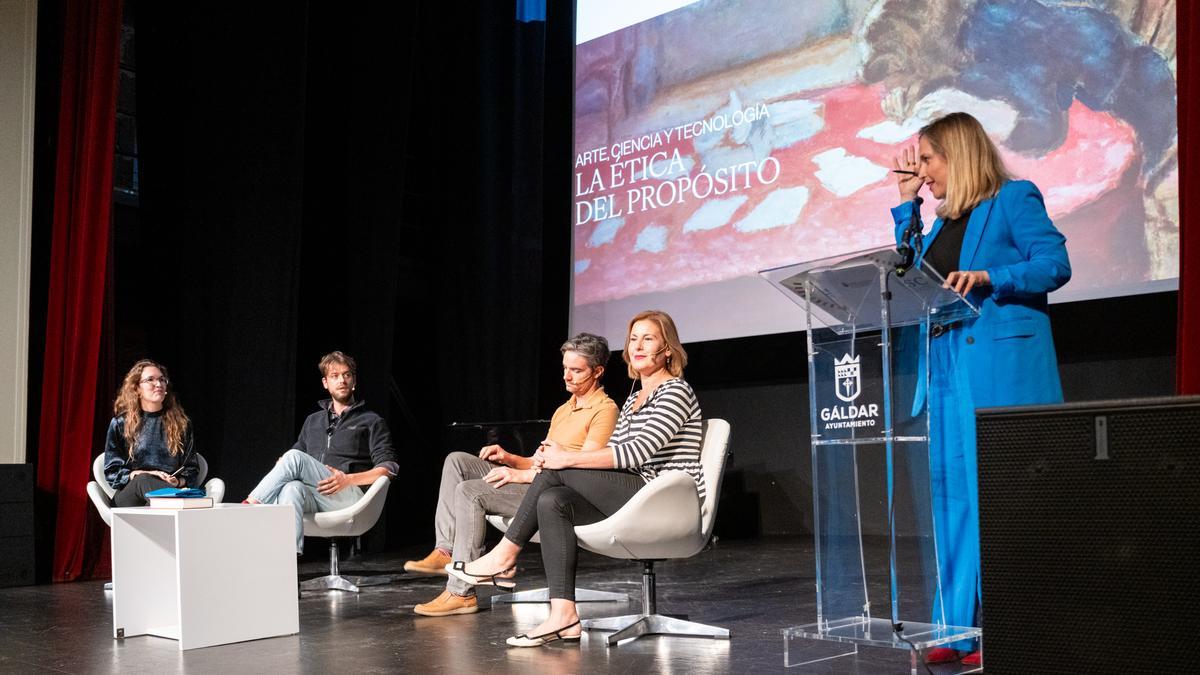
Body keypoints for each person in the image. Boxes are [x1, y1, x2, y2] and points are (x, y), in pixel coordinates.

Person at [891, 111, 1071, 665]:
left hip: (995, 369)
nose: (922, 172)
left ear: (959, 154)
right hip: (944, 367)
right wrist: (907, 206)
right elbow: (908, 276)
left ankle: (1010, 628)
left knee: (996, 501)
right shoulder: (938, 224)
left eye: (927, 160)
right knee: (951, 500)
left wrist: (994, 276)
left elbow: (1055, 264)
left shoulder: (1013, 199)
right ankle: (955, 630)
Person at [448, 310, 705, 647]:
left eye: (648, 339)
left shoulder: (675, 391)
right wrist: (553, 459)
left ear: (667, 349)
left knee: (559, 466)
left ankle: (504, 556)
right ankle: (564, 616)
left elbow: (635, 453)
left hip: (665, 498)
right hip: (635, 492)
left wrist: (564, 459)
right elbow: (614, 452)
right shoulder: (634, 399)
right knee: (552, 501)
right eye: (633, 339)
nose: (638, 346)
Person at [407, 333, 619, 617]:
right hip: (538, 479)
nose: (566, 376)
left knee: (471, 492)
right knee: (457, 461)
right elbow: (538, 462)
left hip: (555, 494)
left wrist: (519, 476)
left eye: (576, 370)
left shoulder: (605, 410)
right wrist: (509, 458)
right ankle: (444, 551)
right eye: (565, 368)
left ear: (598, 371)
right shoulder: (564, 409)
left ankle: (461, 593)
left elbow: (582, 469)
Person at [245, 351, 398, 554]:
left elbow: (389, 469)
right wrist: (283, 463)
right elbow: (295, 455)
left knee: (293, 458)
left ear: (354, 381)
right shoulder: (313, 421)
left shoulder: (371, 421)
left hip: (351, 497)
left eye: (347, 375)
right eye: (335, 376)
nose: (342, 380)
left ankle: (249, 508)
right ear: (325, 383)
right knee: (291, 488)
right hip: (317, 496)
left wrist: (348, 480)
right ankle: (287, 558)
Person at [103, 359, 201, 507]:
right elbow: (112, 472)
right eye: (150, 380)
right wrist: (143, 474)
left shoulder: (181, 423)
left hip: (168, 491)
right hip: (130, 497)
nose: (159, 384)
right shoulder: (121, 423)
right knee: (144, 480)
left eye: (162, 380)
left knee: (161, 489)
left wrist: (177, 481)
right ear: (137, 388)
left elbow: (191, 469)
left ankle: (175, 502)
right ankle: (181, 505)